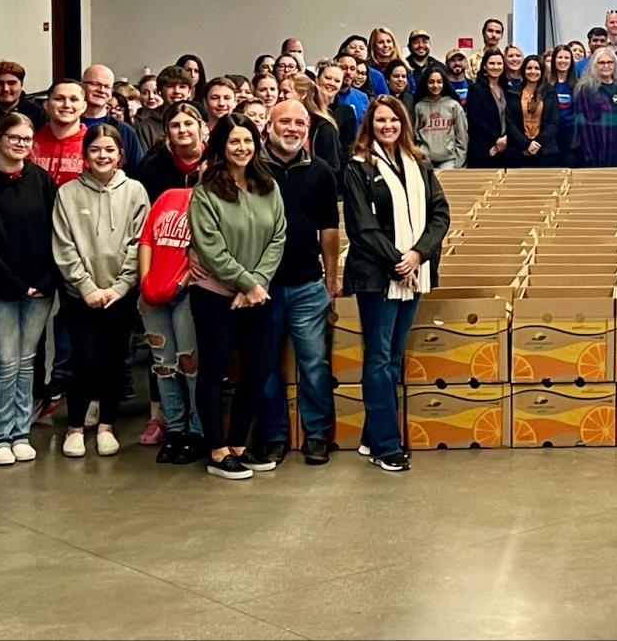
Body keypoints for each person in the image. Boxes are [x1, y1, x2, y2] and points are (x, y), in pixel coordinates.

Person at [342, 97, 450, 474]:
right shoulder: (358, 167)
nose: (387, 126)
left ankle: (373, 436)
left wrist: (418, 254)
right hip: (377, 276)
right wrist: (396, 261)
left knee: (391, 358)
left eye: (393, 119)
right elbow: (360, 226)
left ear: (403, 123)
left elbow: (440, 213)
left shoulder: (418, 164)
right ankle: (386, 446)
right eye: (379, 120)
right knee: (377, 359)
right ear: (369, 126)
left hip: (414, 271)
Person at [187, 114, 288, 480]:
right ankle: (216, 450)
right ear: (221, 147)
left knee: (259, 368)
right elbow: (209, 247)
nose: (242, 148)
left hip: (257, 295)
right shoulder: (206, 191)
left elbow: (278, 236)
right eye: (234, 142)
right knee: (213, 370)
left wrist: (256, 283)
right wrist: (245, 282)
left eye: (247, 141)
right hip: (214, 294)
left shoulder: (267, 186)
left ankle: (239, 444)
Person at [0, 112, 59, 467]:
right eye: (14, 138)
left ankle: (21, 431)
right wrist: (15, 284)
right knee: (5, 362)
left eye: (27, 139)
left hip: (40, 287)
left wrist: (46, 280)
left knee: (27, 362)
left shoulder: (42, 180)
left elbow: (57, 233)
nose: (21, 144)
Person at [252, 100, 342, 469]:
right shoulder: (252, 169)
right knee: (267, 365)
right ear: (268, 126)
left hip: (307, 283)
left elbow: (329, 228)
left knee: (314, 364)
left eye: (299, 123)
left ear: (308, 128)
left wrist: (332, 276)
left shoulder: (320, 171)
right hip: (261, 286)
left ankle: (317, 435)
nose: (292, 128)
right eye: (284, 121)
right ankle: (274, 437)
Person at [50, 124, 147, 459]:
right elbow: (64, 246)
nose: (102, 156)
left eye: (109, 150)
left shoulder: (135, 191)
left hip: (121, 294)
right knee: (83, 360)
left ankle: (106, 425)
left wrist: (121, 287)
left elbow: (139, 244)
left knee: (113, 361)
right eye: (95, 150)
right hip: (82, 296)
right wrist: (86, 287)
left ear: (120, 155)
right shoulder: (67, 193)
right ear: (85, 155)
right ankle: (75, 426)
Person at [138, 172, 203, 465]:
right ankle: (174, 428)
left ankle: (196, 430)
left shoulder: (212, 205)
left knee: (190, 361)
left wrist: (182, 282)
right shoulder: (168, 196)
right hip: (153, 294)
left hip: (186, 292)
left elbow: (205, 250)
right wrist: (145, 282)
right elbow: (147, 237)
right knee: (163, 365)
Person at [574, 47, 617, 168]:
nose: (606, 66)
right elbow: (584, 128)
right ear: (594, 66)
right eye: (601, 63)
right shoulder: (587, 91)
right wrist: (591, 157)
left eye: (610, 62)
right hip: (600, 151)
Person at [136, 102, 209, 201]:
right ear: (167, 130)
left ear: (201, 126)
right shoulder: (154, 165)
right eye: (175, 126)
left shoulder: (215, 160)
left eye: (188, 124)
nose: (182, 130)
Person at [81, 65, 144, 169]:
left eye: (107, 86)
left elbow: (138, 172)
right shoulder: (69, 125)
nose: (101, 90)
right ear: (82, 85)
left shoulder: (124, 130)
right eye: (95, 84)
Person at [30, 80, 89, 186]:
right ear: (46, 105)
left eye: (73, 99)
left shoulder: (93, 143)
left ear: (84, 107)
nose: (66, 104)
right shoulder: (30, 143)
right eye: (59, 99)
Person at [507, 56, 560, 168]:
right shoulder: (513, 93)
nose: (533, 71)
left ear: (542, 71)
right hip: (519, 151)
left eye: (537, 68)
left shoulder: (550, 92)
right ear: (523, 70)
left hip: (546, 151)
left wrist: (536, 143)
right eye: (529, 68)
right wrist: (526, 144)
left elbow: (554, 122)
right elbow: (510, 123)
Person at [412, 65, 469, 170]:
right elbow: (414, 135)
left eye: (439, 82)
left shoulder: (453, 105)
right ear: (425, 83)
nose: (435, 85)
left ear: (444, 83)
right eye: (431, 82)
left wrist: (459, 161)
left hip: (449, 160)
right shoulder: (419, 106)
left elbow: (461, 135)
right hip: (425, 160)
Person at [461, 50, 511, 169]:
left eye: (499, 64)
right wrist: (497, 139)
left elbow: (513, 117)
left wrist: (506, 138)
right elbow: (475, 120)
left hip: (507, 146)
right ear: (484, 66)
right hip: (484, 147)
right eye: (492, 63)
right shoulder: (476, 89)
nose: (496, 67)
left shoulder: (508, 89)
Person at [134, 65, 191, 152]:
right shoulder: (146, 127)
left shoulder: (198, 121)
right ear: (160, 91)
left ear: (189, 92)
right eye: (170, 86)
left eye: (182, 87)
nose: (177, 91)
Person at [547, 46, 576, 166]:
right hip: (550, 136)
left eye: (566, 58)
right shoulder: (546, 84)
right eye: (560, 57)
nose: (563, 60)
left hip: (571, 134)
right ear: (554, 60)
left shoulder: (577, 85)